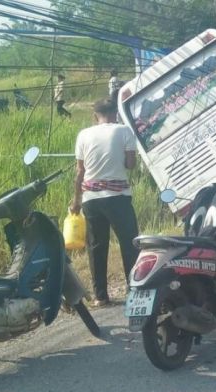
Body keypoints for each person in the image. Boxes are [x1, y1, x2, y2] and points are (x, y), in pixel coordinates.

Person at [70, 99, 139, 306]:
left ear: (95, 116)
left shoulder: (83, 134)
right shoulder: (124, 131)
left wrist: (76, 200)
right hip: (118, 197)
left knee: (96, 247)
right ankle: (134, 289)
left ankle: (101, 296)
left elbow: (80, 172)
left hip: (91, 199)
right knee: (130, 243)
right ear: (115, 114)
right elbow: (130, 164)